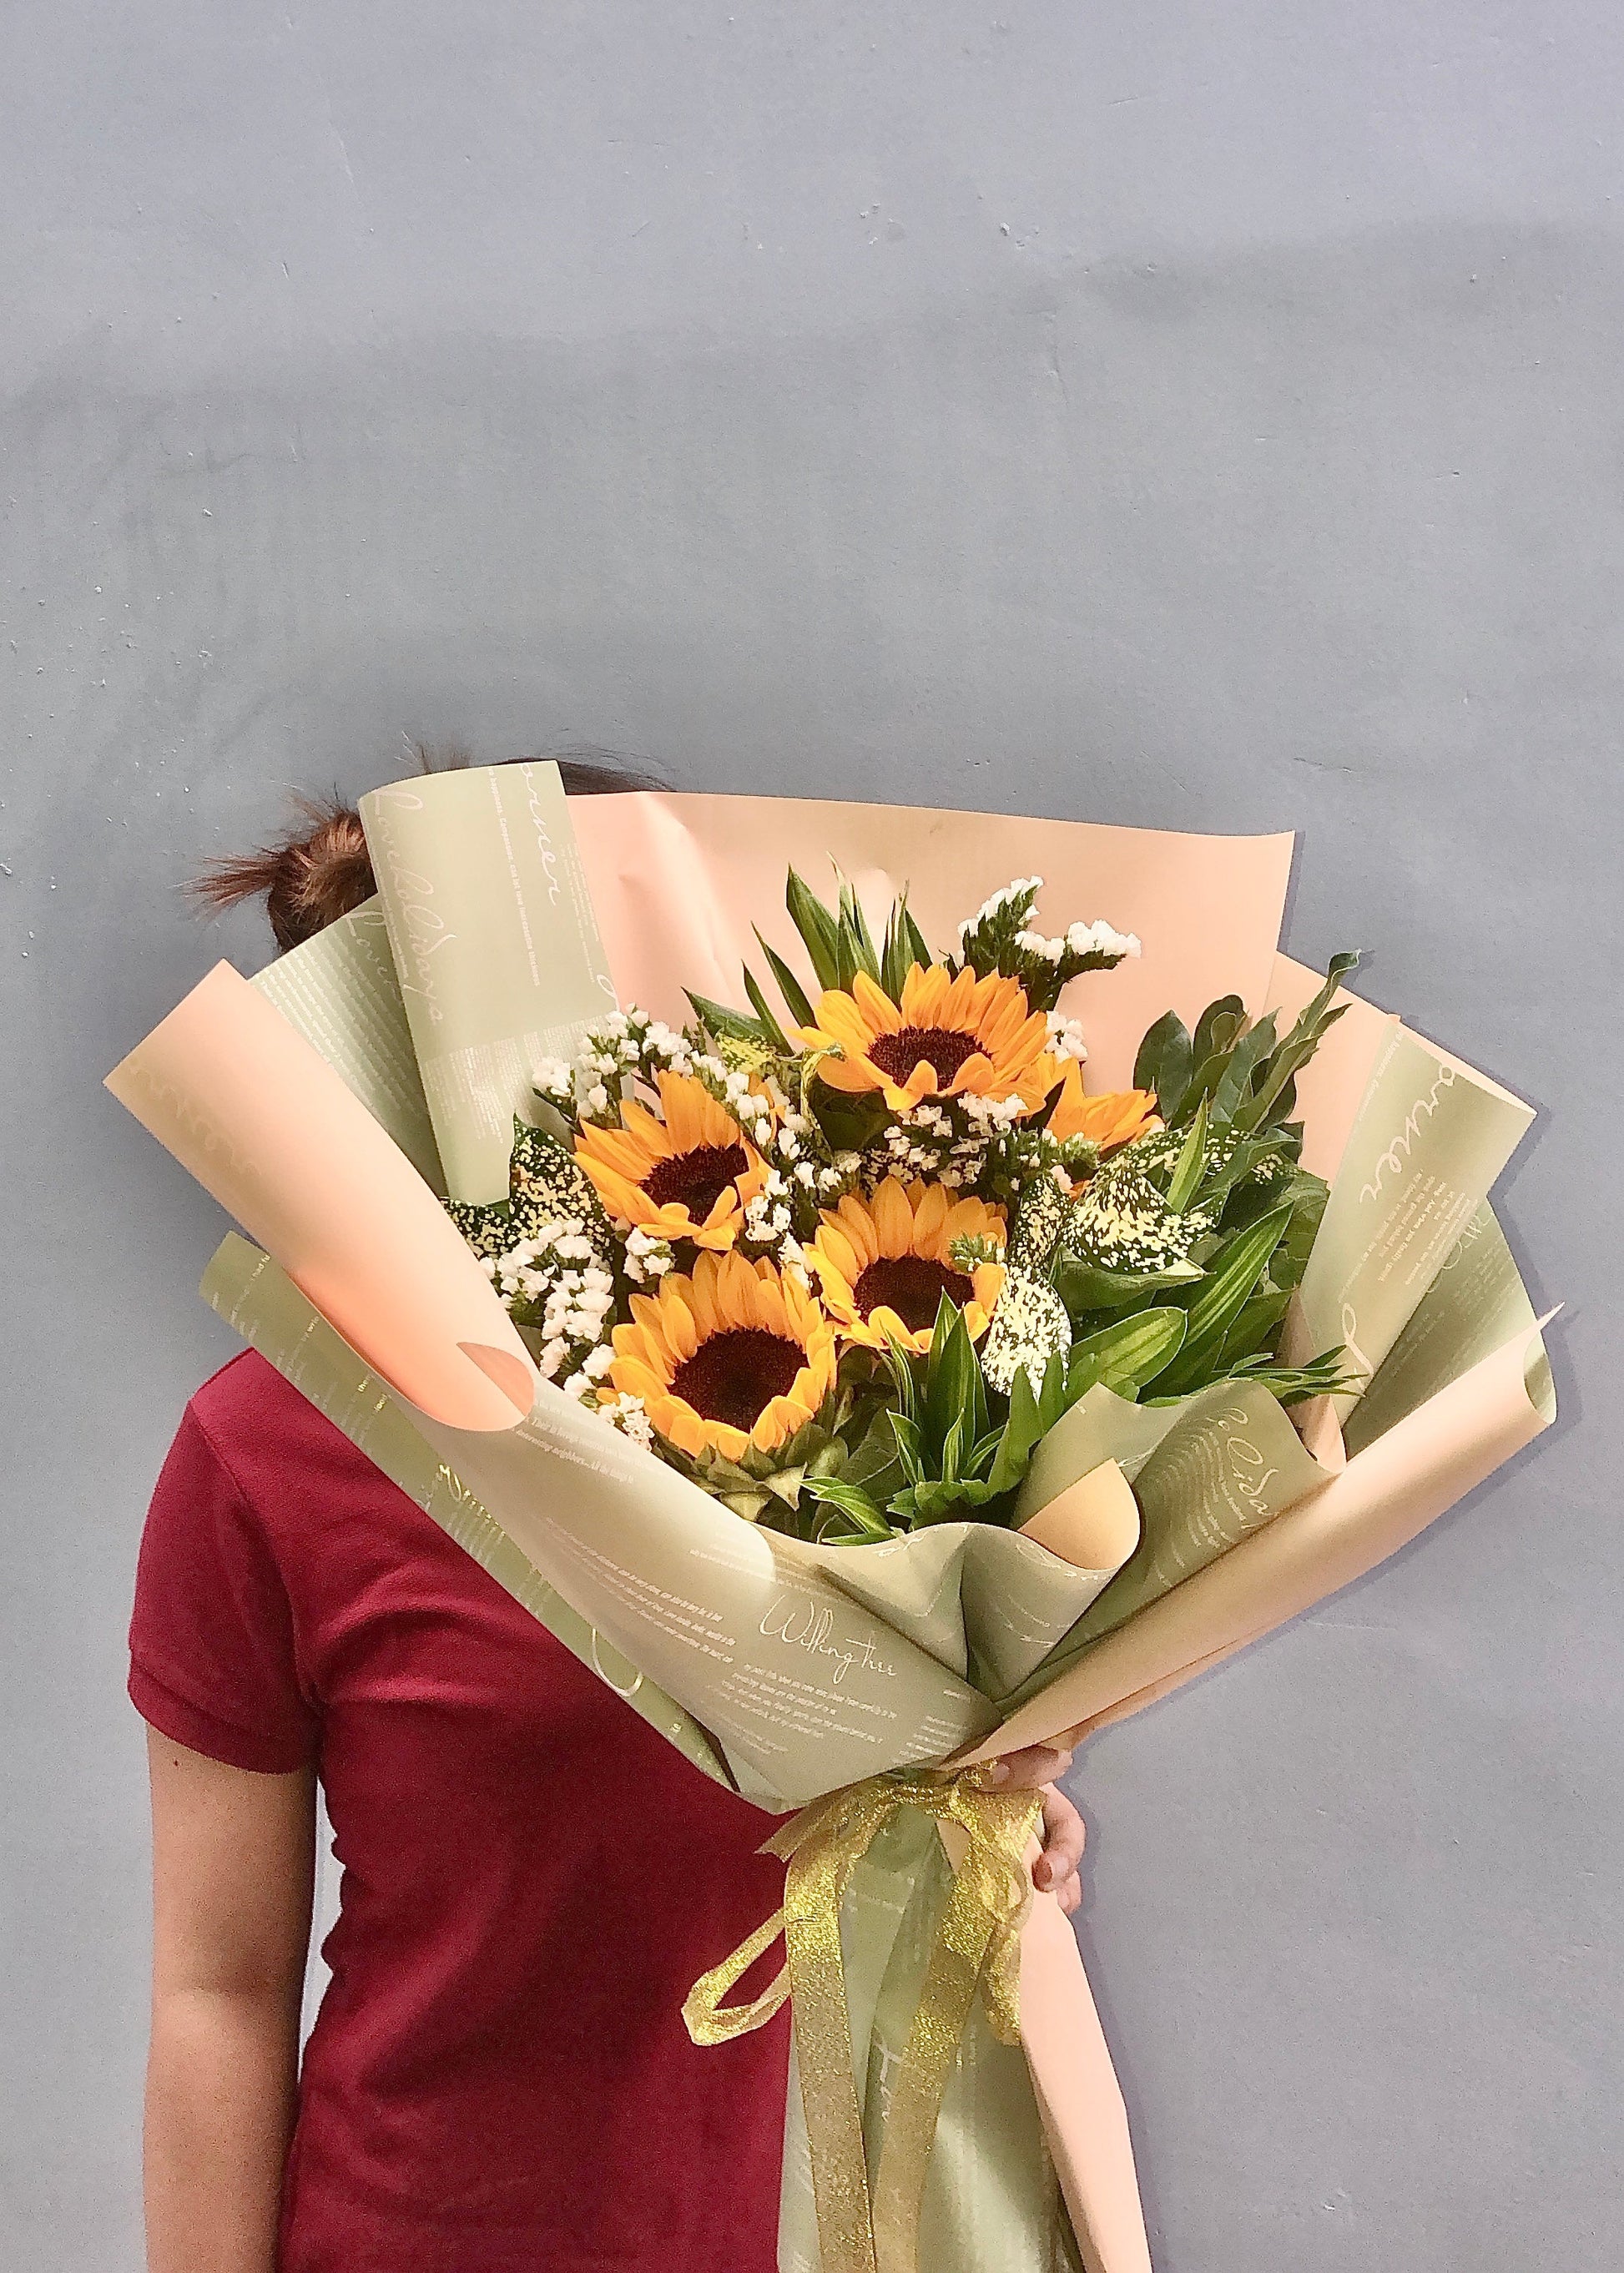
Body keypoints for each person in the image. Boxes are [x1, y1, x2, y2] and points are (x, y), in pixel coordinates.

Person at [131, 755, 1088, 2273]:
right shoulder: (263, 1458)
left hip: (855, 2222)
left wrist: (987, 1817)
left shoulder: (881, 1381)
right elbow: (215, 1990)